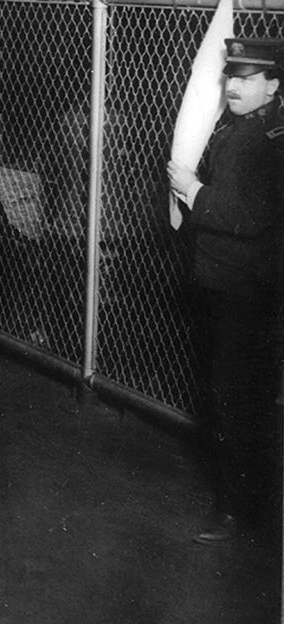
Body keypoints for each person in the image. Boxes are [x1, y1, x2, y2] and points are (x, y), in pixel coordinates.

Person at [166, 38, 284, 546]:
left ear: (274, 86)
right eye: (231, 76)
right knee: (231, 395)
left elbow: (246, 217)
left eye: (248, 78)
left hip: (245, 289)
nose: (234, 85)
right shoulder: (243, 131)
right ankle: (243, 503)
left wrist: (191, 190)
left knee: (238, 398)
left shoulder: (270, 142)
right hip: (226, 283)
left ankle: (240, 511)